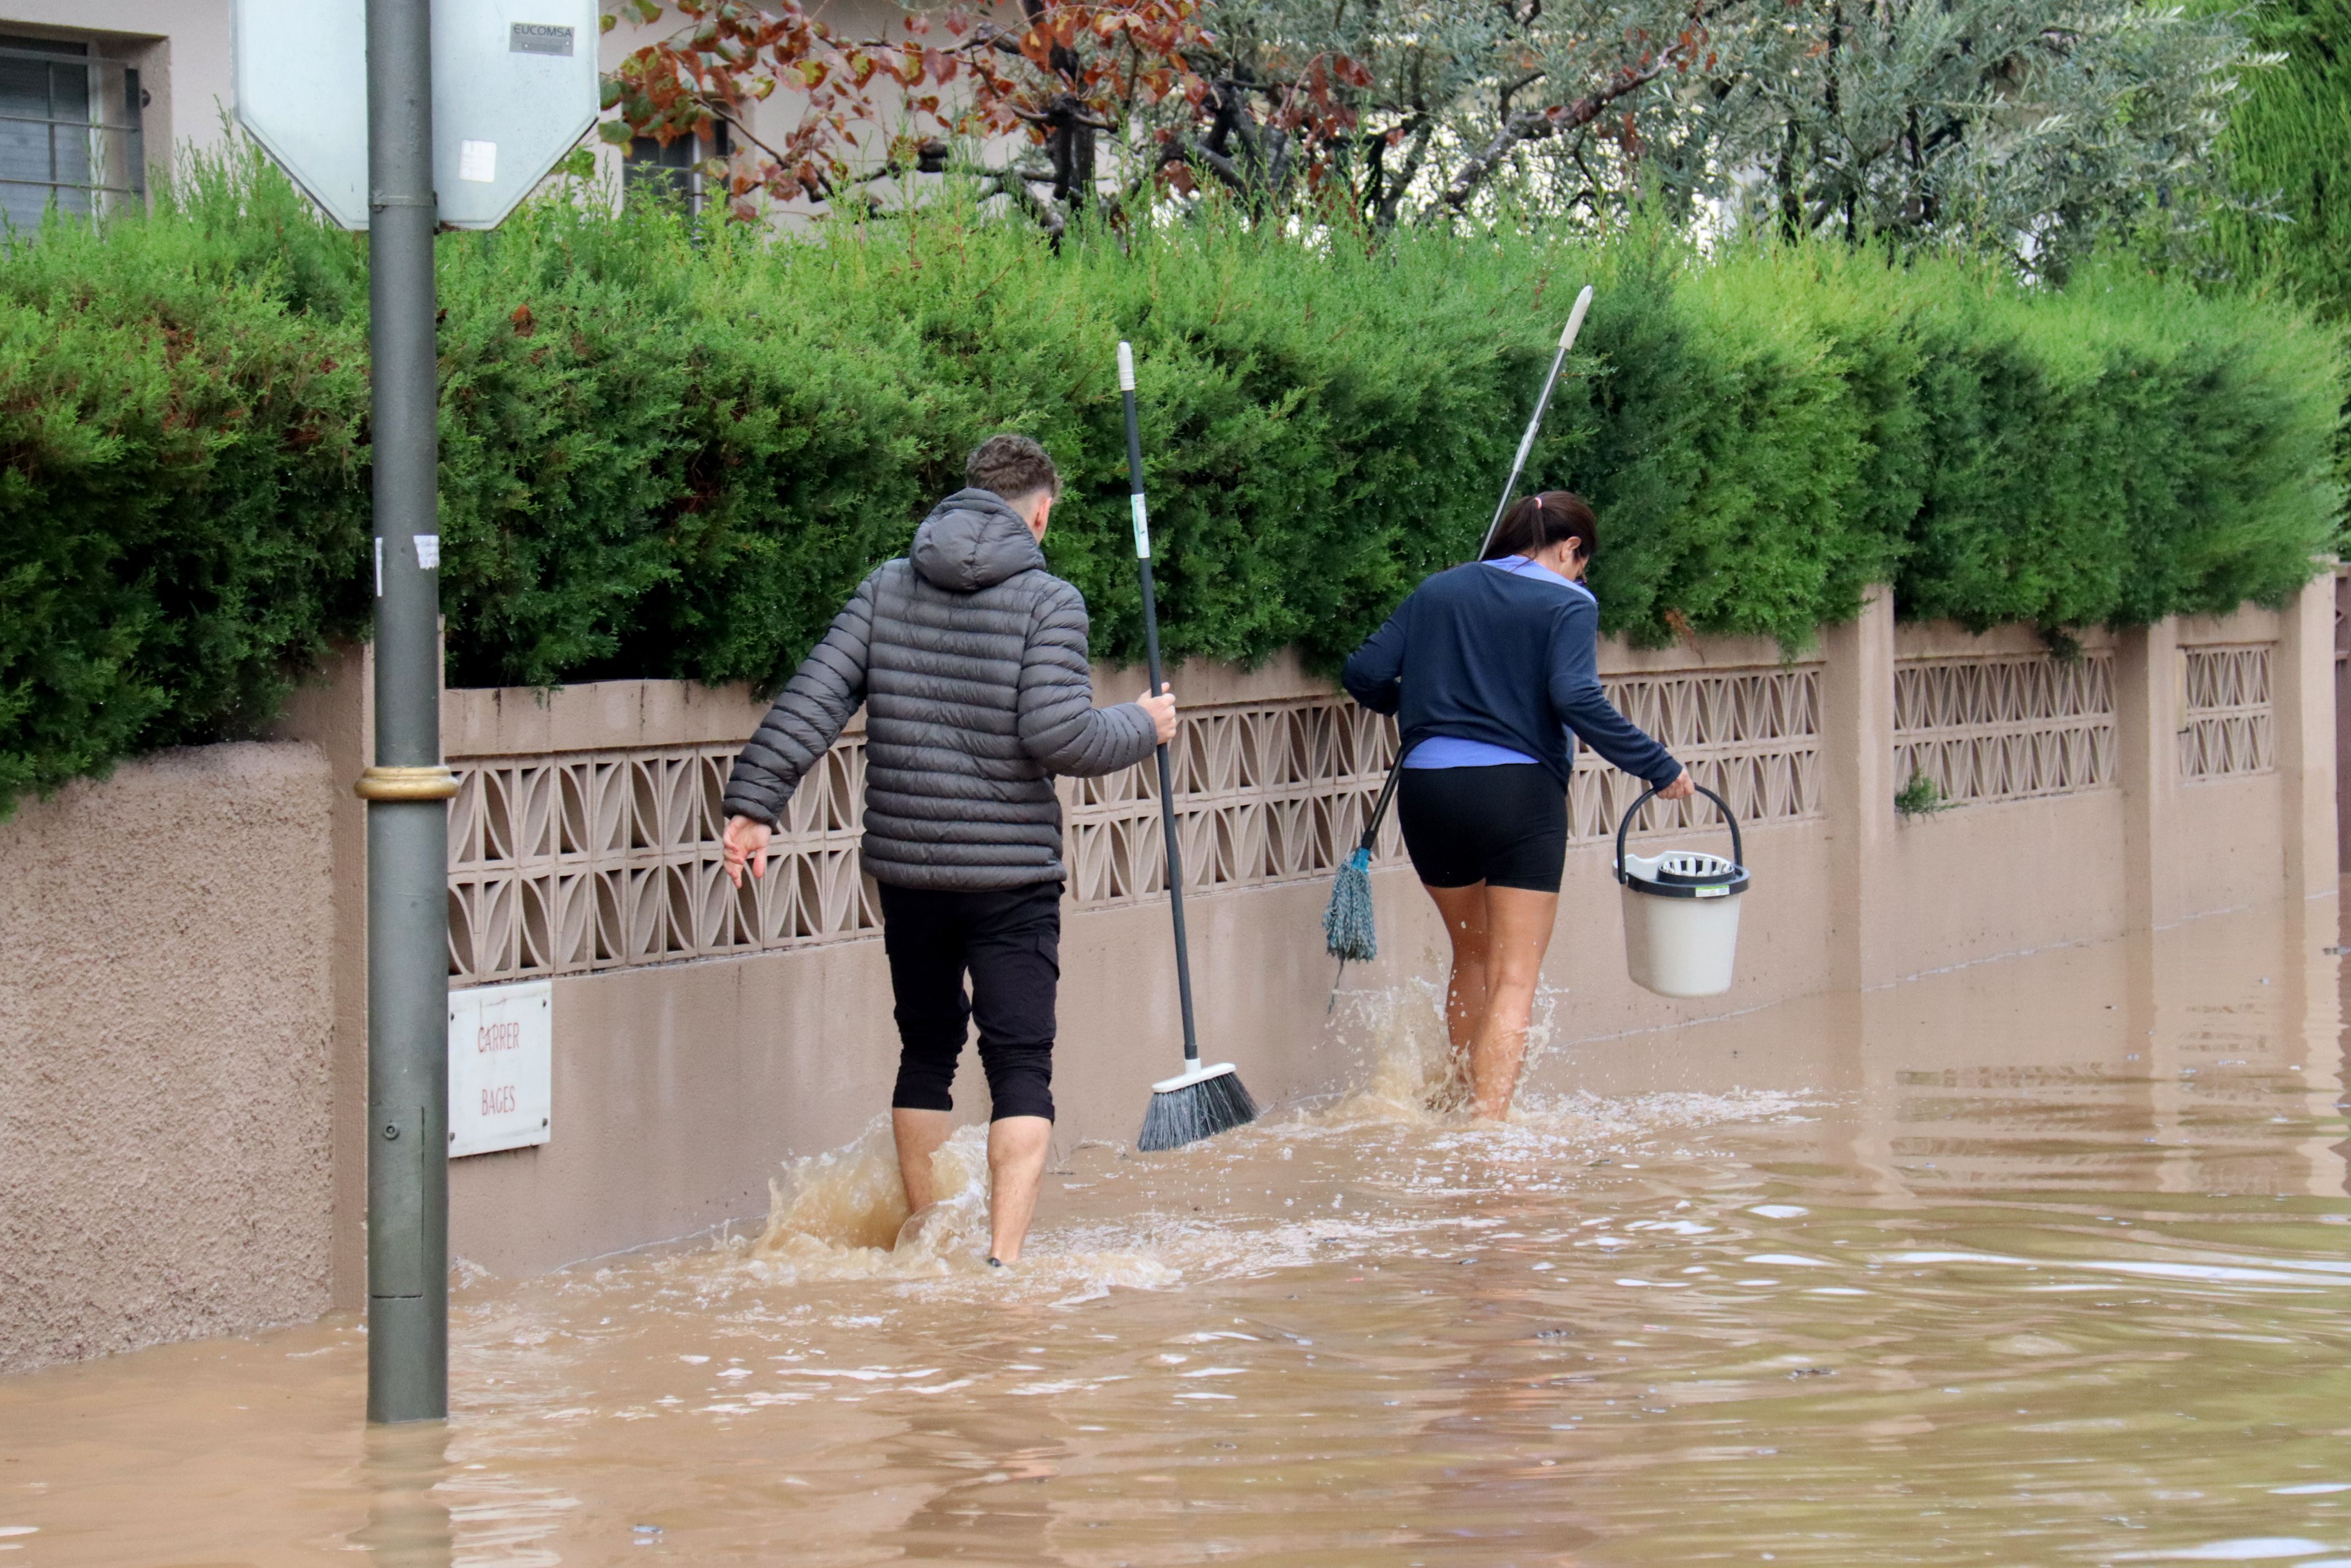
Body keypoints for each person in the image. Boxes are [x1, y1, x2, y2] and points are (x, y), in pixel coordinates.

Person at [718, 435, 1175, 1267]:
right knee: (1021, 1064)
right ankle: (1001, 1267)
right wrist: (1142, 725)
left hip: (910, 870)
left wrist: (755, 805)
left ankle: (925, 1246)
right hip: (1010, 876)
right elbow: (1059, 732)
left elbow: (814, 696)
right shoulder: (1049, 600)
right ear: (1040, 513)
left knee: (927, 1048)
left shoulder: (888, 586)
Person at [1342, 490, 1692, 1119]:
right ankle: (1488, 1128)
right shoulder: (1567, 601)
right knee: (1514, 973)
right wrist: (1658, 766)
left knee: (1472, 953)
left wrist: (1424, 703)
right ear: (1569, 549)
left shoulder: (1438, 591)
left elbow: (1365, 672)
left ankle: (1453, 1099)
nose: (1580, 575)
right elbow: (1577, 699)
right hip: (1518, 795)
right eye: (1581, 562)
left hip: (1429, 792)